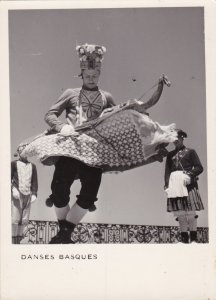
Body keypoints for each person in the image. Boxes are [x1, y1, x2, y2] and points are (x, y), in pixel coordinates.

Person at [44, 43, 168, 244]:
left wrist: (146, 104)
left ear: (99, 75)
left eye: (94, 75)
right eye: (87, 75)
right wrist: (61, 127)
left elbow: (121, 116)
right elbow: (50, 115)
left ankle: (63, 235)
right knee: (59, 190)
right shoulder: (70, 93)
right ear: (82, 74)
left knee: (89, 194)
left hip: (96, 151)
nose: (91, 78)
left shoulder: (106, 97)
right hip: (69, 146)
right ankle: (65, 235)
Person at [164, 129, 204, 243]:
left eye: (178, 138)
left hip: (188, 184)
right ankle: (184, 240)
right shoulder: (170, 155)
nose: (176, 141)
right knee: (180, 213)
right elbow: (167, 171)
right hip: (174, 185)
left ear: (182, 138)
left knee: (190, 212)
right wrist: (166, 186)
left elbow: (199, 167)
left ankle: (194, 240)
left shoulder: (190, 152)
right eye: (173, 139)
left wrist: (190, 175)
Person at [11, 144, 38, 244]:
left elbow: (34, 181)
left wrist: (34, 193)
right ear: (18, 152)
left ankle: (20, 239)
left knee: (25, 218)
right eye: (22, 151)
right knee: (15, 217)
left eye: (25, 151)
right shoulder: (14, 164)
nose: (24, 153)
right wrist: (13, 189)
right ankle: (13, 240)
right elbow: (8, 178)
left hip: (28, 194)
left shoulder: (33, 166)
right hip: (17, 193)